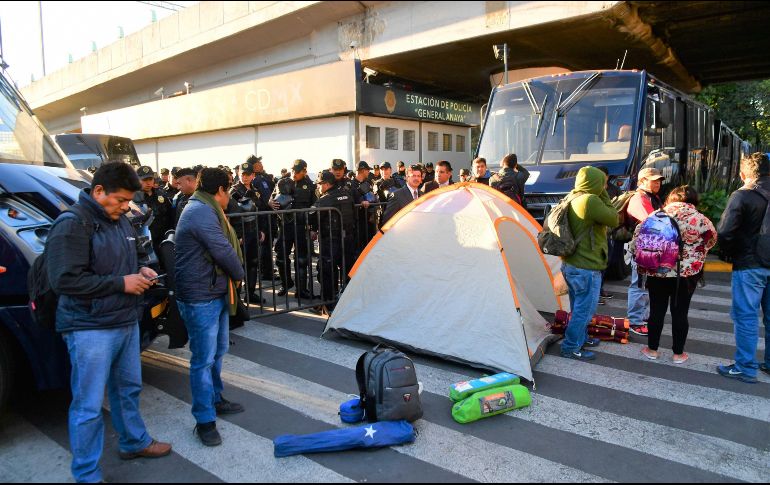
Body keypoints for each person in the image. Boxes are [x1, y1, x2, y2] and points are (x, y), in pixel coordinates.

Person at [46, 162, 172, 483]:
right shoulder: (72, 225)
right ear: (98, 191)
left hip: (125, 320)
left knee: (128, 389)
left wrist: (141, 271)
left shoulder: (120, 221)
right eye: (120, 200)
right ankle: (86, 473)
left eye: (129, 201)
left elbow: (134, 259)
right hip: (89, 327)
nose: (125, 207)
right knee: (88, 406)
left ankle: (133, 442)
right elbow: (65, 281)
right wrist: (121, 283)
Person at [175, 168, 246, 446]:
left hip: (213, 290)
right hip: (199, 295)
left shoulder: (206, 208)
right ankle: (204, 420)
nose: (229, 197)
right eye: (228, 191)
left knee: (217, 352)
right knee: (202, 359)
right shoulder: (202, 212)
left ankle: (216, 398)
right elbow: (221, 249)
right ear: (220, 191)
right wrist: (240, 274)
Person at [634, 185, 716, 364]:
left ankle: (652, 349)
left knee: (656, 311)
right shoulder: (700, 219)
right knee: (680, 313)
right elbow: (711, 240)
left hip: (657, 272)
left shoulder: (655, 215)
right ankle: (678, 354)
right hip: (686, 274)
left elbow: (637, 238)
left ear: (671, 198)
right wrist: (695, 253)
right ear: (694, 200)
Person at [717, 152, 770, 383]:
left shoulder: (743, 195)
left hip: (749, 263)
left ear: (743, 173)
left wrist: (729, 252)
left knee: (746, 316)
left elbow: (725, 231)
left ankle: (745, 367)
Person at [559, 166, 619, 361]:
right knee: (584, 310)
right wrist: (603, 193)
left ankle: (580, 338)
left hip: (572, 264)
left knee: (578, 307)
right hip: (586, 266)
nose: (605, 185)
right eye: (602, 182)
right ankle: (571, 347)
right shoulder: (591, 200)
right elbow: (614, 219)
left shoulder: (573, 197)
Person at [310, 170, 356, 316]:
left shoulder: (325, 200)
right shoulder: (347, 195)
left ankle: (328, 304)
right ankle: (348, 301)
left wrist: (313, 229)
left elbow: (311, 215)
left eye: (320, 184)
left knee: (327, 271)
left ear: (327, 184)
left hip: (331, 240)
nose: (319, 187)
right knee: (347, 270)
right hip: (347, 238)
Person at [269, 159, 317, 299]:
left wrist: (314, 227)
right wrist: (271, 203)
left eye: (297, 171)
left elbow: (315, 207)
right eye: (293, 170)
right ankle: (286, 284)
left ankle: (302, 289)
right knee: (281, 257)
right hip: (286, 225)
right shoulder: (282, 182)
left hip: (303, 226)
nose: (294, 173)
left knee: (302, 259)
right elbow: (272, 199)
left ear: (304, 171)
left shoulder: (310, 186)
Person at [625, 167, 664, 336]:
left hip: (650, 248)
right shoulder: (639, 198)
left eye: (659, 180)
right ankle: (635, 320)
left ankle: (643, 316)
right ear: (642, 181)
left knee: (646, 285)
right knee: (639, 285)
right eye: (653, 180)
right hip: (642, 249)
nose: (657, 183)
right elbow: (652, 222)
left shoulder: (652, 197)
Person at [229, 159, 267, 302]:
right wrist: (238, 235)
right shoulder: (233, 192)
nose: (245, 177)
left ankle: (250, 294)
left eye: (248, 174)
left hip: (253, 232)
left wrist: (262, 230)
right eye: (242, 174)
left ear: (253, 176)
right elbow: (231, 215)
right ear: (238, 174)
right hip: (240, 234)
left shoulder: (256, 192)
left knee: (253, 263)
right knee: (239, 265)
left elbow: (261, 211)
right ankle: (237, 299)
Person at [247, 155, 277, 281]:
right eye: (259, 162)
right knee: (265, 244)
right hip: (264, 215)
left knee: (265, 245)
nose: (261, 164)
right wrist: (271, 203)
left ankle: (265, 269)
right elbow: (267, 197)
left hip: (264, 214)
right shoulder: (259, 179)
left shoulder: (261, 177)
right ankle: (266, 272)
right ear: (254, 165)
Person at [134, 166, 173, 261]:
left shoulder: (161, 194)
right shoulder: (133, 198)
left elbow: (171, 215)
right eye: (144, 180)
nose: (148, 183)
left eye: (150, 179)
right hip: (144, 241)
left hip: (162, 239)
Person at [351, 161, 376, 253]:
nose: (369, 172)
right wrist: (360, 202)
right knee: (358, 247)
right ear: (362, 170)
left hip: (368, 220)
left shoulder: (368, 183)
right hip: (357, 221)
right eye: (367, 170)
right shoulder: (351, 185)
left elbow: (373, 198)